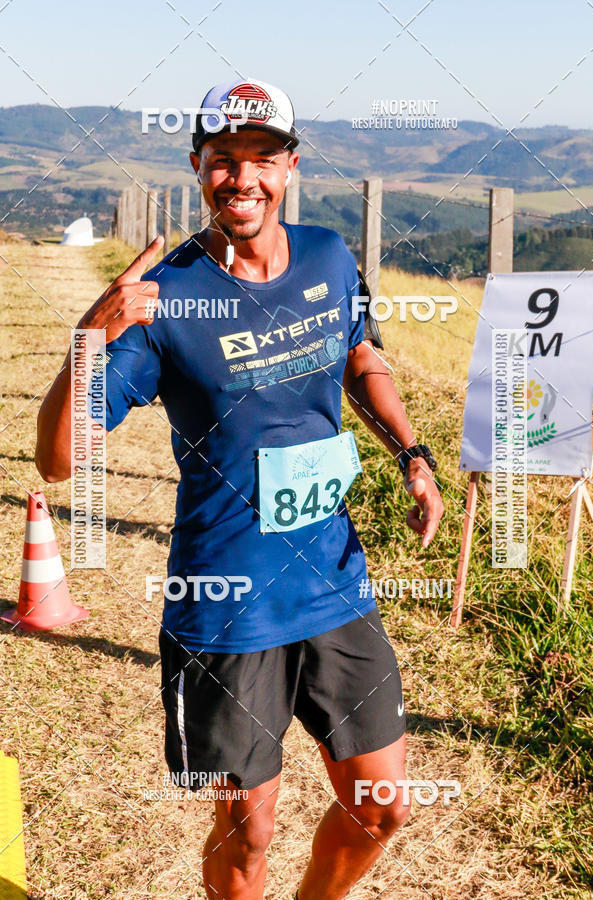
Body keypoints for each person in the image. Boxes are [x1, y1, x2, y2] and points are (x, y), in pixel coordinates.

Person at [36, 78, 444, 900]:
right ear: (198, 167)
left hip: (335, 581)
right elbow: (57, 460)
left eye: (262, 158)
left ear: (290, 166)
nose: (243, 178)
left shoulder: (329, 254)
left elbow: (358, 354)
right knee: (246, 831)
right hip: (227, 603)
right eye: (225, 160)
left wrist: (412, 452)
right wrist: (91, 333)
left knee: (382, 807)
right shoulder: (165, 299)